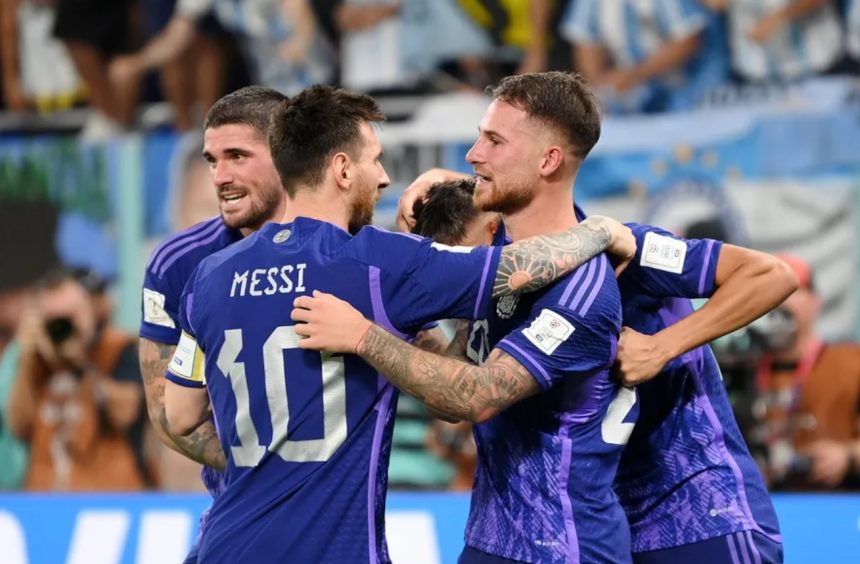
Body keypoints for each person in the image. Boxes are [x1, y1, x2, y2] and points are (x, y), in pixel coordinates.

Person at [298, 71, 798, 563]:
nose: (474, 154)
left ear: (549, 159)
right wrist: (438, 185)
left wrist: (664, 347)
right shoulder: (507, 262)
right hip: (601, 513)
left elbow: (770, 276)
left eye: (492, 140)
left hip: (697, 506)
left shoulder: (627, 249)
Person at [163, 83, 636, 563]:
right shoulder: (376, 265)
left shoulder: (208, 277)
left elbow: (180, 415)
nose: (385, 177)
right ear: (343, 169)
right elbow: (516, 267)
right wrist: (598, 230)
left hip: (227, 543)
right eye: (375, 159)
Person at [139, 85, 288, 560]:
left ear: (289, 154)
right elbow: (168, 415)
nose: (220, 176)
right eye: (212, 160)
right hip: (237, 522)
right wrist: (270, 472)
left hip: (343, 532)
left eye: (238, 156)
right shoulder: (179, 266)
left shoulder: (353, 250)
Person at [8, 269, 146, 490]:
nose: (63, 328)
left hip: (107, 499)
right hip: (44, 497)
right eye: (54, 319)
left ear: (89, 311)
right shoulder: (38, 360)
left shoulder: (117, 348)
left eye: (71, 317)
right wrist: (27, 359)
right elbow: (18, 424)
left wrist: (82, 364)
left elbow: (127, 414)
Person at [753, 254, 860, 491]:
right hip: (765, 505)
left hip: (836, 504)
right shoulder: (744, 370)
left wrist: (847, 455)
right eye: (770, 291)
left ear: (815, 301)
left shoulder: (851, 363)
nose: (780, 302)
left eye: (791, 291)